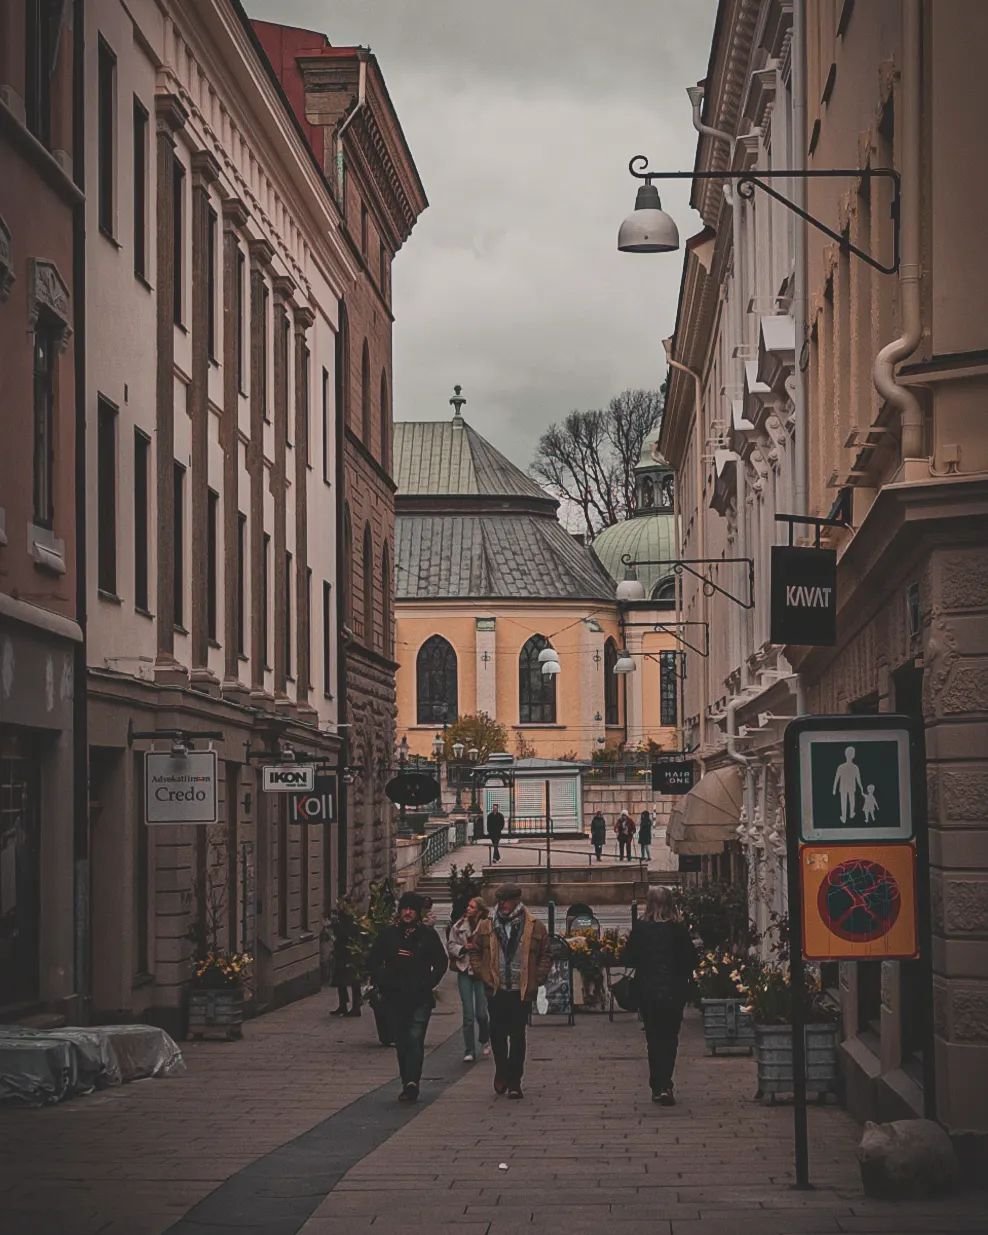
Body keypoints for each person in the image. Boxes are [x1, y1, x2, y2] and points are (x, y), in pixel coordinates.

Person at [469, 881, 551, 1099]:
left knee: (517, 1035)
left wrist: (538, 976)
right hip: (496, 988)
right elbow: (474, 950)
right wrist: (482, 973)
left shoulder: (533, 925)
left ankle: (515, 1080)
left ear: (516, 901)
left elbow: (546, 953)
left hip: (520, 989)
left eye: (507, 901)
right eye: (500, 901)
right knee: (496, 1034)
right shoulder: (487, 924)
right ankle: (501, 1070)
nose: (503, 905)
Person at [367, 891, 448, 1102]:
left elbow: (441, 963)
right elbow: (373, 960)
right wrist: (382, 979)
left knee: (415, 1038)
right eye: (404, 908)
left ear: (418, 912)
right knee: (402, 1042)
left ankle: (412, 1082)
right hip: (394, 997)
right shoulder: (389, 935)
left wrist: (428, 982)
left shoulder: (427, 935)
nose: (408, 912)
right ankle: (406, 1079)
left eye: (412, 909)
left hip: (419, 996)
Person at [622, 885, 698, 1105]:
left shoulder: (641, 928)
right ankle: (665, 1083)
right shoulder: (678, 928)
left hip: (648, 991)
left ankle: (658, 1085)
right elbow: (691, 960)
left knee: (653, 1038)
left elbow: (628, 959)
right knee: (670, 1038)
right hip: (674, 991)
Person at [447, 896, 492, 1062]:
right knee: (468, 1014)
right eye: (468, 906)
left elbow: (492, 947)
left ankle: (484, 1039)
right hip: (464, 969)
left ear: (479, 911)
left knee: (481, 1013)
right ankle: (469, 1049)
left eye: (472, 907)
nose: (468, 909)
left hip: (480, 972)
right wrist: (462, 948)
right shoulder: (459, 926)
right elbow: (450, 944)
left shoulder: (487, 926)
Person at [330, 904, 362, 1017]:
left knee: (353, 981)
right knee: (341, 981)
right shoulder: (348, 921)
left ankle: (355, 1007)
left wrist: (335, 926)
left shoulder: (350, 923)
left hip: (350, 955)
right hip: (344, 954)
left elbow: (344, 935)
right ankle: (344, 1005)